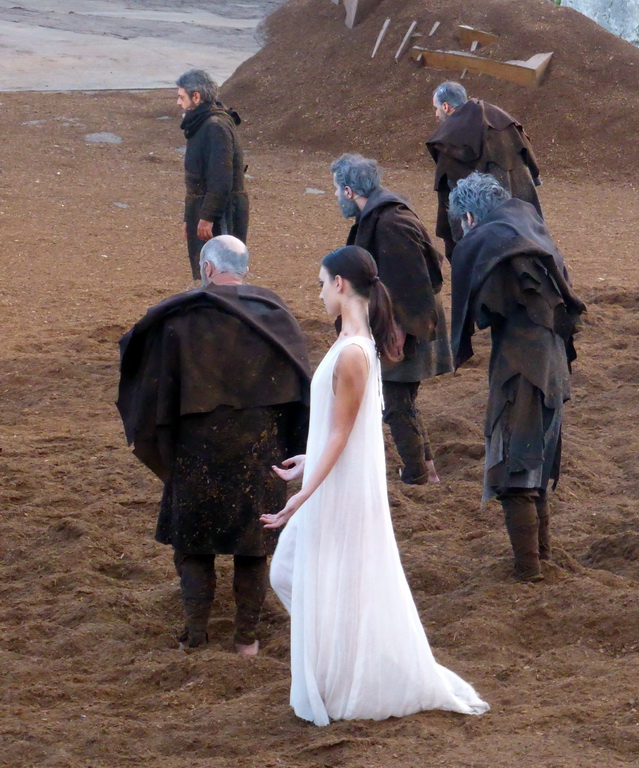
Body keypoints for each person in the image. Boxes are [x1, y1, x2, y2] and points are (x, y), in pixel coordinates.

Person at [261, 246, 489, 724]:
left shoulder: (351, 353)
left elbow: (344, 432)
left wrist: (303, 493)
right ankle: (336, 665)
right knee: (297, 574)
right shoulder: (356, 343)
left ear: (341, 285)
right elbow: (343, 427)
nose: (320, 292)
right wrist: (309, 458)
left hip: (337, 492)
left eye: (322, 282)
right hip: (335, 482)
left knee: (299, 574)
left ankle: (343, 672)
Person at [116, 235, 310, 653]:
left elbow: (151, 396)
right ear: (245, 269)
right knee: (253, 545)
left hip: (196, 452)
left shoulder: (180, 320)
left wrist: (164, 449)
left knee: (192, 544)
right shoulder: (277, 319)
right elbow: (302, 393)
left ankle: (196, 635)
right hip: (261, 452)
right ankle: (247, 639)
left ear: (206, 268)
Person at [448, 172, 586, 582]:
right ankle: (539, 558)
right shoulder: (530, 229)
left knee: (516, 469)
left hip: (523, 367)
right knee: (534, 466)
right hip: (553, 362)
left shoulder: (495, 243)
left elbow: (486, 312)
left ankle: (529, 571)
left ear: (471, 217)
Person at [331, 153, 453, 484]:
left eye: (336, 190)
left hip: (406, 325)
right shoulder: (382, 217)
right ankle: (425, 469)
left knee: (397, 402)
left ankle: (418, 476)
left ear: (347, 190)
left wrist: (399, 331)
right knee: (402, 399)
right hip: (405, 321)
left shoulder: (389, 223)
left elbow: (412, 281)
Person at [426, 81, 543, 259]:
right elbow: (527, 154)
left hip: (484, 225)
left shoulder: (449, 136)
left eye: (436, 108)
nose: (435, 114)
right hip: (523, 212)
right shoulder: (500, 118)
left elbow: (449, 188)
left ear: (446, 106)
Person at [176, 69, 248, 281]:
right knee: (209, 273)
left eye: (181, 97)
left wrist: (207, 217)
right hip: (209, 209)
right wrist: (189, 218)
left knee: (222, 274)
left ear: (196, 97)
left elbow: (220, 178)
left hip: (222, 213)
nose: (178, 103)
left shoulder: (214, 127)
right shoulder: (204, 124)